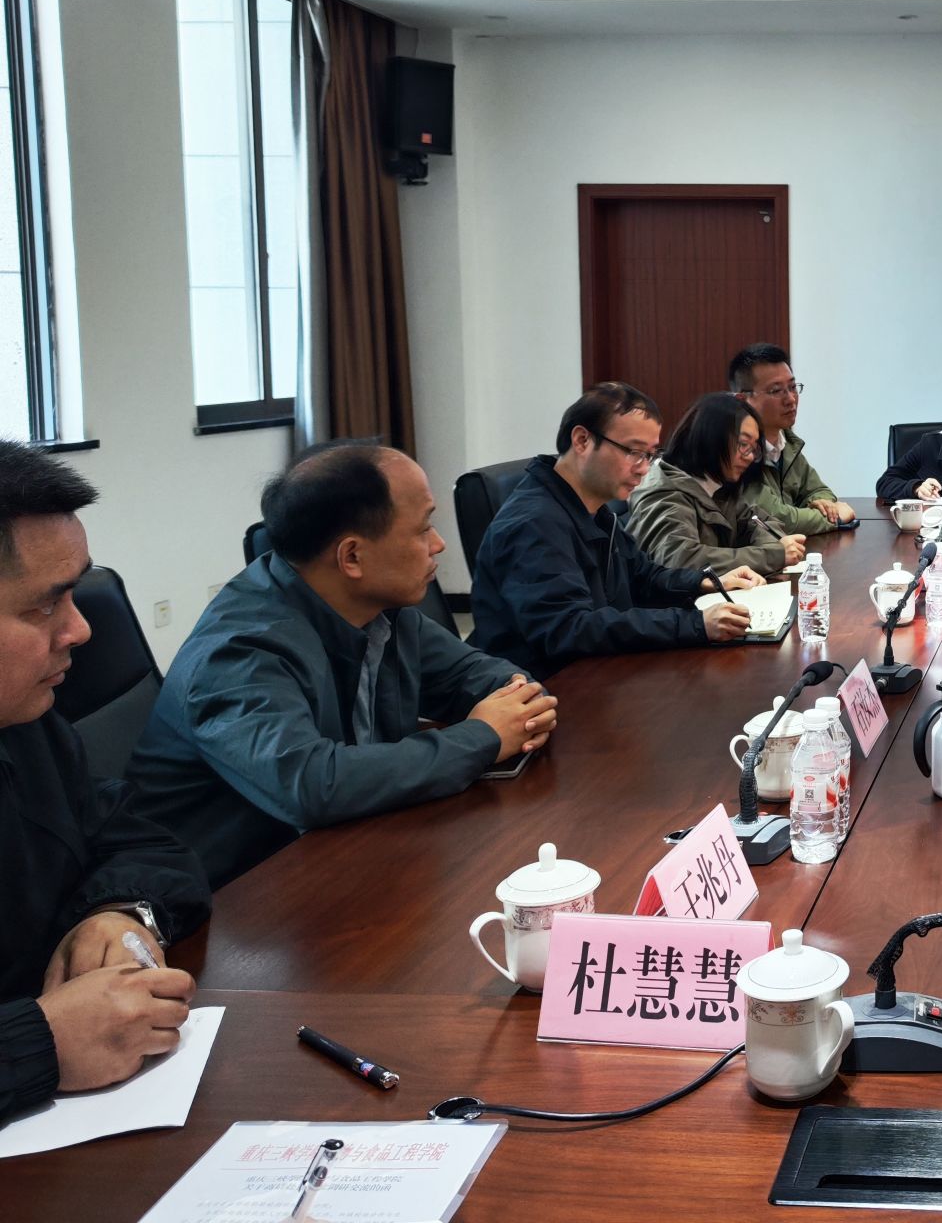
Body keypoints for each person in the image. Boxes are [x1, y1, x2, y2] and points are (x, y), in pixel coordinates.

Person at [127, 442, 559, 886]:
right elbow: (312, 785)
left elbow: (490, 679)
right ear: (351, 556)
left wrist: (520, 708)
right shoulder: (238, 652)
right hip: (228, 894)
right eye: (423, 529)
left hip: (345, 850)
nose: (438, 544)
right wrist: (484, 735)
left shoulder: (381, 610)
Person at [0, 443, 210, 1125]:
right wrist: (40, 1045)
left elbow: (144, 840)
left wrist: (118, 912)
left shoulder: (27, 726)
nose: (80, 629)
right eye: (45, 606)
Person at [468, 383, 756, 678]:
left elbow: (642, 576)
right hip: (549, 686)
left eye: (650, 454)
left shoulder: (593, 508)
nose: (644, 468)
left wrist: (706, 582)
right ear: (582, 440)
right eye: (633, 452)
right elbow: (569, 629)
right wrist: (696, 624)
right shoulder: (533, 523)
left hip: (601, 667)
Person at [627, 394, 805, 577]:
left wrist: (774, 548)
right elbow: (681, 559)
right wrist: (772, 555)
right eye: (743, 444)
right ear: (711, 438)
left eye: (754, 448)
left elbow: (760, 523)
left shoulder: (719, 486)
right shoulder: (664, 492)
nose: (750, 456)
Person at [729, 345, 855, 535]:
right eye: (776, 391)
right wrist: (835, 518)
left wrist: (821, 503)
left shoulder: (786, 442)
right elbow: (774, 519)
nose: (791, 399)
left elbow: (819, 490)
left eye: (793, 387)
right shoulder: (738, 451)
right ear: (742, 399)